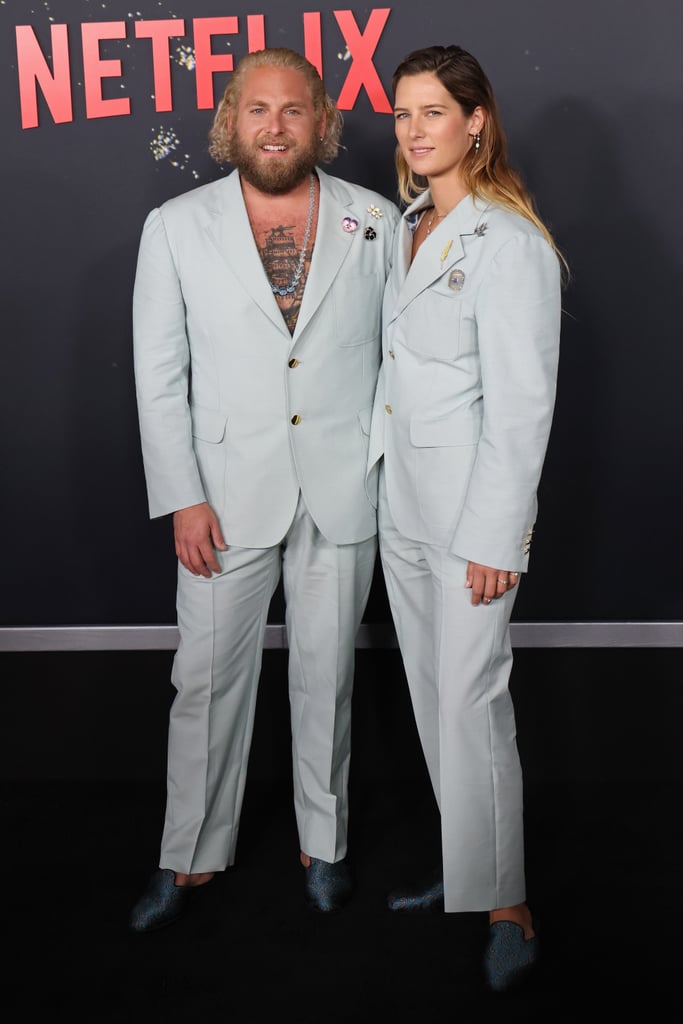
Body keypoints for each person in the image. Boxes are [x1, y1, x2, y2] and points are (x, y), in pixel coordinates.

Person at [129, 46, 400, 932]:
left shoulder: (379, 221)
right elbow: (159, 376)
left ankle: (323, 845)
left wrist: (389, 471)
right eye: (257, 109)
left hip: (342, 488)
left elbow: (402, 363)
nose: (275, 126)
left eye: (293, 110)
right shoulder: (173, 226)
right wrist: (181, 495)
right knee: (204, 683)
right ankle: (190, 855)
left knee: (327, 681)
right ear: (230, 121)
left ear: (322, 122)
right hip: (220, 495)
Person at [367, 44, 565, 991]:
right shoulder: (406, 225)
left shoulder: (510, 244)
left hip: (468, 523)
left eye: (432, 112)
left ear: (475, 122)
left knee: (473, 703)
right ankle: (467, 869)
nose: (412, 130)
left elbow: (521, 409)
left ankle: (507, 904)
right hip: (401, 507)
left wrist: (497, 538)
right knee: (433, 702)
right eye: (402, 113)